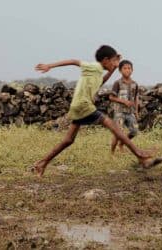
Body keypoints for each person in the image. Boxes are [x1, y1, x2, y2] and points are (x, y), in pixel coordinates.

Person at [32, 45, 152, 177]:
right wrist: (50, 65)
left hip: (78, 106)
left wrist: (112, 69)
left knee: (68, 140)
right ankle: (138, 153)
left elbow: (102, 81)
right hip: (83, 105)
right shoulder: (92, 67)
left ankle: (41, 163)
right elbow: (73, 61)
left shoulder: (97, 72)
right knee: (113, 125)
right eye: (113, 61)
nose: (115, 65)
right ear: (105, 60)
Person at [109, 60, 139, 154]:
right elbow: (111, 97)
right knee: (118, 133)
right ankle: (112, 152)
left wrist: (136, 112)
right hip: (119, 112)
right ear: (120, 70)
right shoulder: (117, 83)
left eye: (129, 68)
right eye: (125, 68)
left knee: (134, 131)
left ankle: (122, 144)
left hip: (130, 112)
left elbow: (136, 99)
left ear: (132, 70)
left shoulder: (135, 84)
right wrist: (124, 101)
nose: (127, 70)